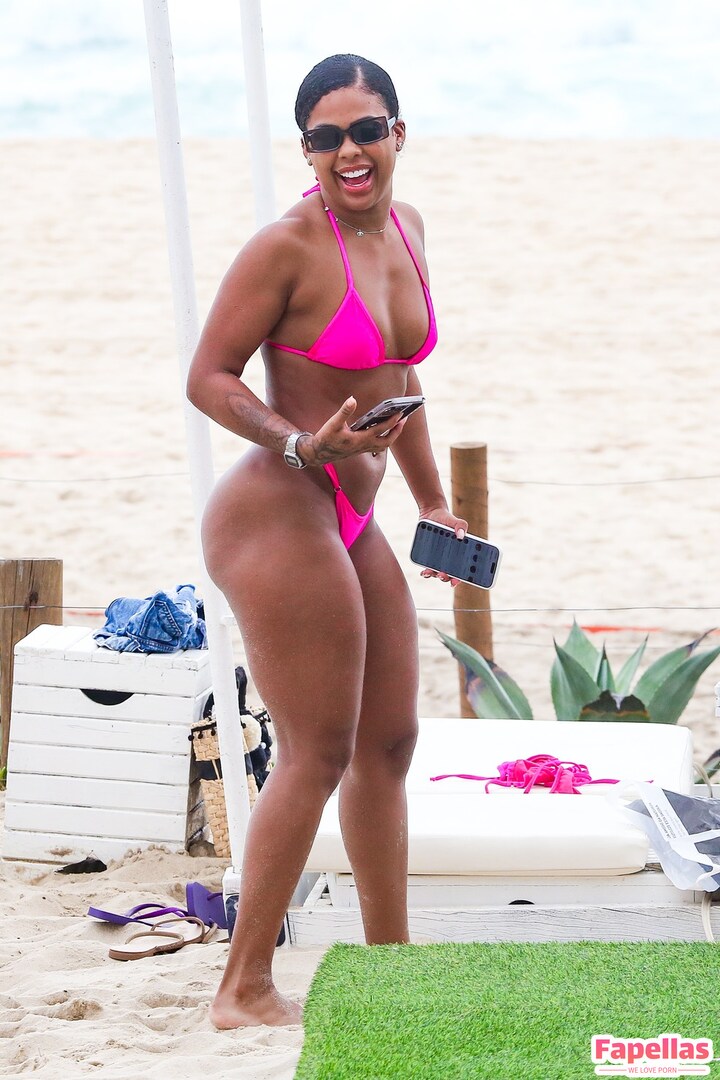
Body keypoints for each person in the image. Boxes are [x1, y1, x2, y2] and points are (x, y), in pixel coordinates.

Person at [187, 53, 467, 1029]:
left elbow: (397, 379)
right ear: (306, 151)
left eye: (366, 129)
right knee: (316, 749)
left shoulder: (409, 230)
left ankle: (390, 970)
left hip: (353, 517)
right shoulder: (286, 247)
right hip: (278, 507)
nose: (349, 151)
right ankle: (243, 987)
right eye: (326, 137)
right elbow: (209, 375)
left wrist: (433, 501)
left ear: (398, 133)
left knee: (389, 742)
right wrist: (298, 443)